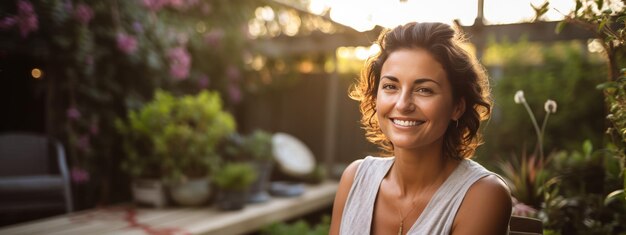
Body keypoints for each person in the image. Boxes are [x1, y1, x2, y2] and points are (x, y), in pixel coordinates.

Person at [329, 22, 512, 235]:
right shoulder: (355, 179)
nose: (403, 104)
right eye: (390, 86)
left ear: (457, 107)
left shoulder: (483, 195)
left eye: (424, 90)